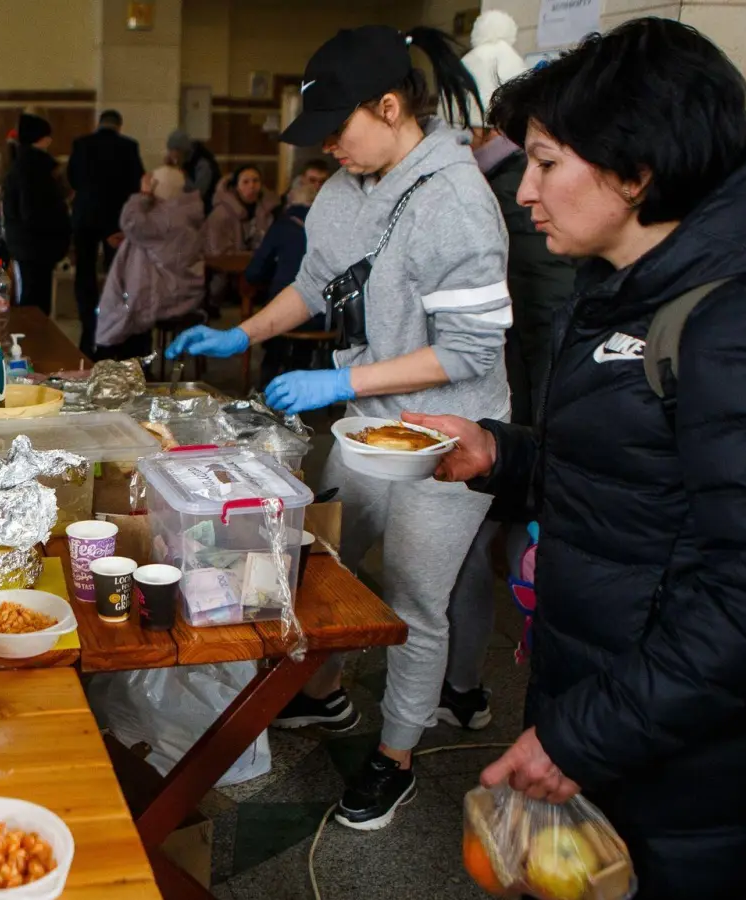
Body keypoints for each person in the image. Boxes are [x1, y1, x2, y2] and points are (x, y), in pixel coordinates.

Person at [411, 19, 746, 898]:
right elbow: (637, 479)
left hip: (708, 780)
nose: (525, 191)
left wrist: (583, 735)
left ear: (636, 173)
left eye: (547, 162)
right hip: (631, 718)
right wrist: (501, 454)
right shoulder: (628, 289)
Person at [167, 25, 507, 831]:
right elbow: (316, 286)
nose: (328, 149)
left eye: (337, 130)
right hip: (369, 426)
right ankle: (321, 699)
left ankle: (394, 758)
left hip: (449, 433)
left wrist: (342, 377)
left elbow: (465, 350)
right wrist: (240, 335)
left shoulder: (458, 200)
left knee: (415, 600)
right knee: (324, 566)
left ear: (390, 107)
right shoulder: (347, 187)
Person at [440, 16, 578, 730]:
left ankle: (467, 685)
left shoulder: (503, 200)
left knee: (484, 555)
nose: (533, 189)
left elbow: (540, 332)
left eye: (548, 164)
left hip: (520, 403)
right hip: (513, 419)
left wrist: (528, 447)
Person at [93, 166, 205, 359]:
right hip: (181, 288)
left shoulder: (166, 216)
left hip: (166, 294)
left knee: (124, 301)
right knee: (136, 261)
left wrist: (143, 195)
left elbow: (130, 222)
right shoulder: (186, 211)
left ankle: (122, 358)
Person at [68, 109, 145, 356]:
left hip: (85, 217)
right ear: (119, 126)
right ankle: (112, 315)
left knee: (85, 270)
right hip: (116, 219)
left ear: (98, 123)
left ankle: (87, 317)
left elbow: (73, 179)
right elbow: (137, 182)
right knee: (116, 271)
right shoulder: (129, 146)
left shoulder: (81, 144)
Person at [246, 160, 330, 383]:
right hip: (325, 316)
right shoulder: (334, 226)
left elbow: (254, 272)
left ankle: (266, 383)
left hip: (284, 314)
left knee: (277, 316)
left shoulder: (282, 225)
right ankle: (299, 377)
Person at [1, 112, 69, 316]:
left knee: (33, 297)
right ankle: (33, 341)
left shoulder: (21, 164)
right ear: (43, 138)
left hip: (28, 243)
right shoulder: (35, 167)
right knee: (34, 302)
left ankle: (34, 340)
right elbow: (33, 210)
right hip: (35, 244)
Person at [204, 165, 279, 259]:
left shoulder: (268, 211)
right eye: (245, 182)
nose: (252, 186)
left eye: (255, 181)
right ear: (236, 187)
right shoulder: (221, 214)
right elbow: (217, 252)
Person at [167, 129, 220, 213]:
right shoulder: (185, 160)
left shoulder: (202, 164)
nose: (172, 155)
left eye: (175, 151)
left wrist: (180, 173)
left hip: (207, 209)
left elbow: (199, 193)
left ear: (182, 150)